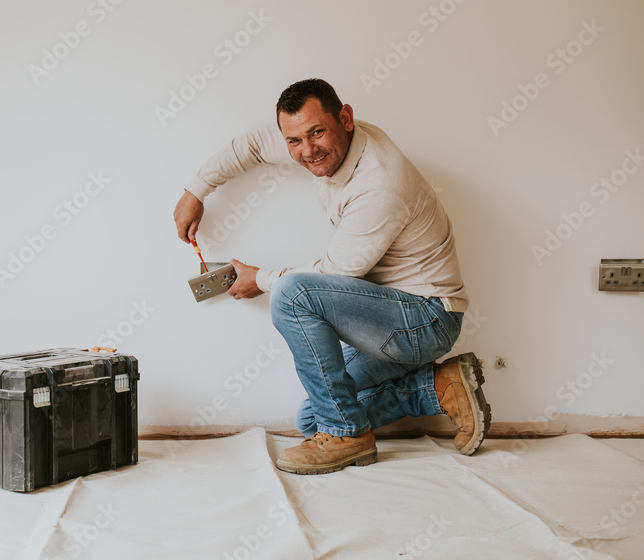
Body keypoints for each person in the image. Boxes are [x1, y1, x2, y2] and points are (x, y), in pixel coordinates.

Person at [172, 78, 491, 475]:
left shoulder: (380, 184)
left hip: (424, 320)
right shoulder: (317, 143)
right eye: (294, 141)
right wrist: (195, 191)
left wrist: (261, 278)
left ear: (345, 118)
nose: (307, 152)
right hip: (385, 319)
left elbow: (338, 272)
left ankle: (347, 436)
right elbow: (251, 146)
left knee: (290, 293)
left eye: (317, 133)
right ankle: (438, 388)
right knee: (312, 419)